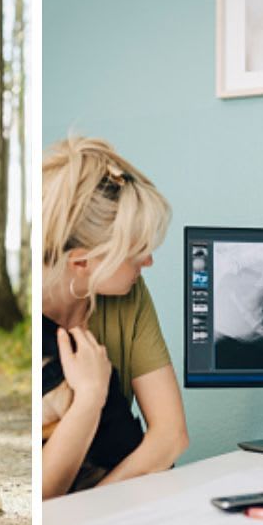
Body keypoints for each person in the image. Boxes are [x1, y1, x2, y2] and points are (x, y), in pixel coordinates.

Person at [41, 137, 189, 499]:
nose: (149, 261)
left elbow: (170, 437)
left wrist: (98, 511)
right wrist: (90, 396)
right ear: (82, 262)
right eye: (135, 251)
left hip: (123, 503)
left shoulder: (128, 294)